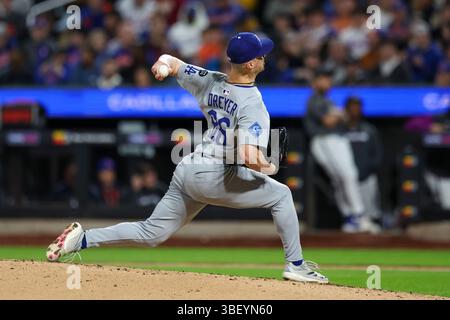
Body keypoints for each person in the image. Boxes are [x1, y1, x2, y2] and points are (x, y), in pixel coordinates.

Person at [46, 32, 328, 283]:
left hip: (189, 168)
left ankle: (81, 240)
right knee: (281, 196)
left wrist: (162, 66)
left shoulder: (210, 80)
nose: (265, 56)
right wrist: (270, 166)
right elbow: (247, 155)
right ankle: (296, 265)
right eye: (261, 54)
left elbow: (172, 62)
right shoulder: (253, 103)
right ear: (252, 64)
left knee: (152, 233)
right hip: (215, 174)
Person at [303, 70, 376, 233]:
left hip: (328, 140)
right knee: (348, 176)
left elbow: (340, 117)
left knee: (340, 179)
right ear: (315, 82)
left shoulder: (326, 100)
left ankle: (351, 217)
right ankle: (359, 215)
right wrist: (341, 114)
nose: (328, 83)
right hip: (328, 140)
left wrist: (339, 114)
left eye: (329, 80)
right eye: (324, 80)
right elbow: (329, 121)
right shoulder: (316, 100)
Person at [343, 96, 382, 232]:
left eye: (357, 107)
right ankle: (352, 221)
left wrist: (368, 169)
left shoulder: (369, 129)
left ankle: (368, 222)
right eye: (351, 107)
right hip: (348, 178)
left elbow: (377, 153)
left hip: (366, 176)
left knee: (369, 209)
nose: (354, 111)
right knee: (350, 211)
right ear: (346, 110)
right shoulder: (340, 130)